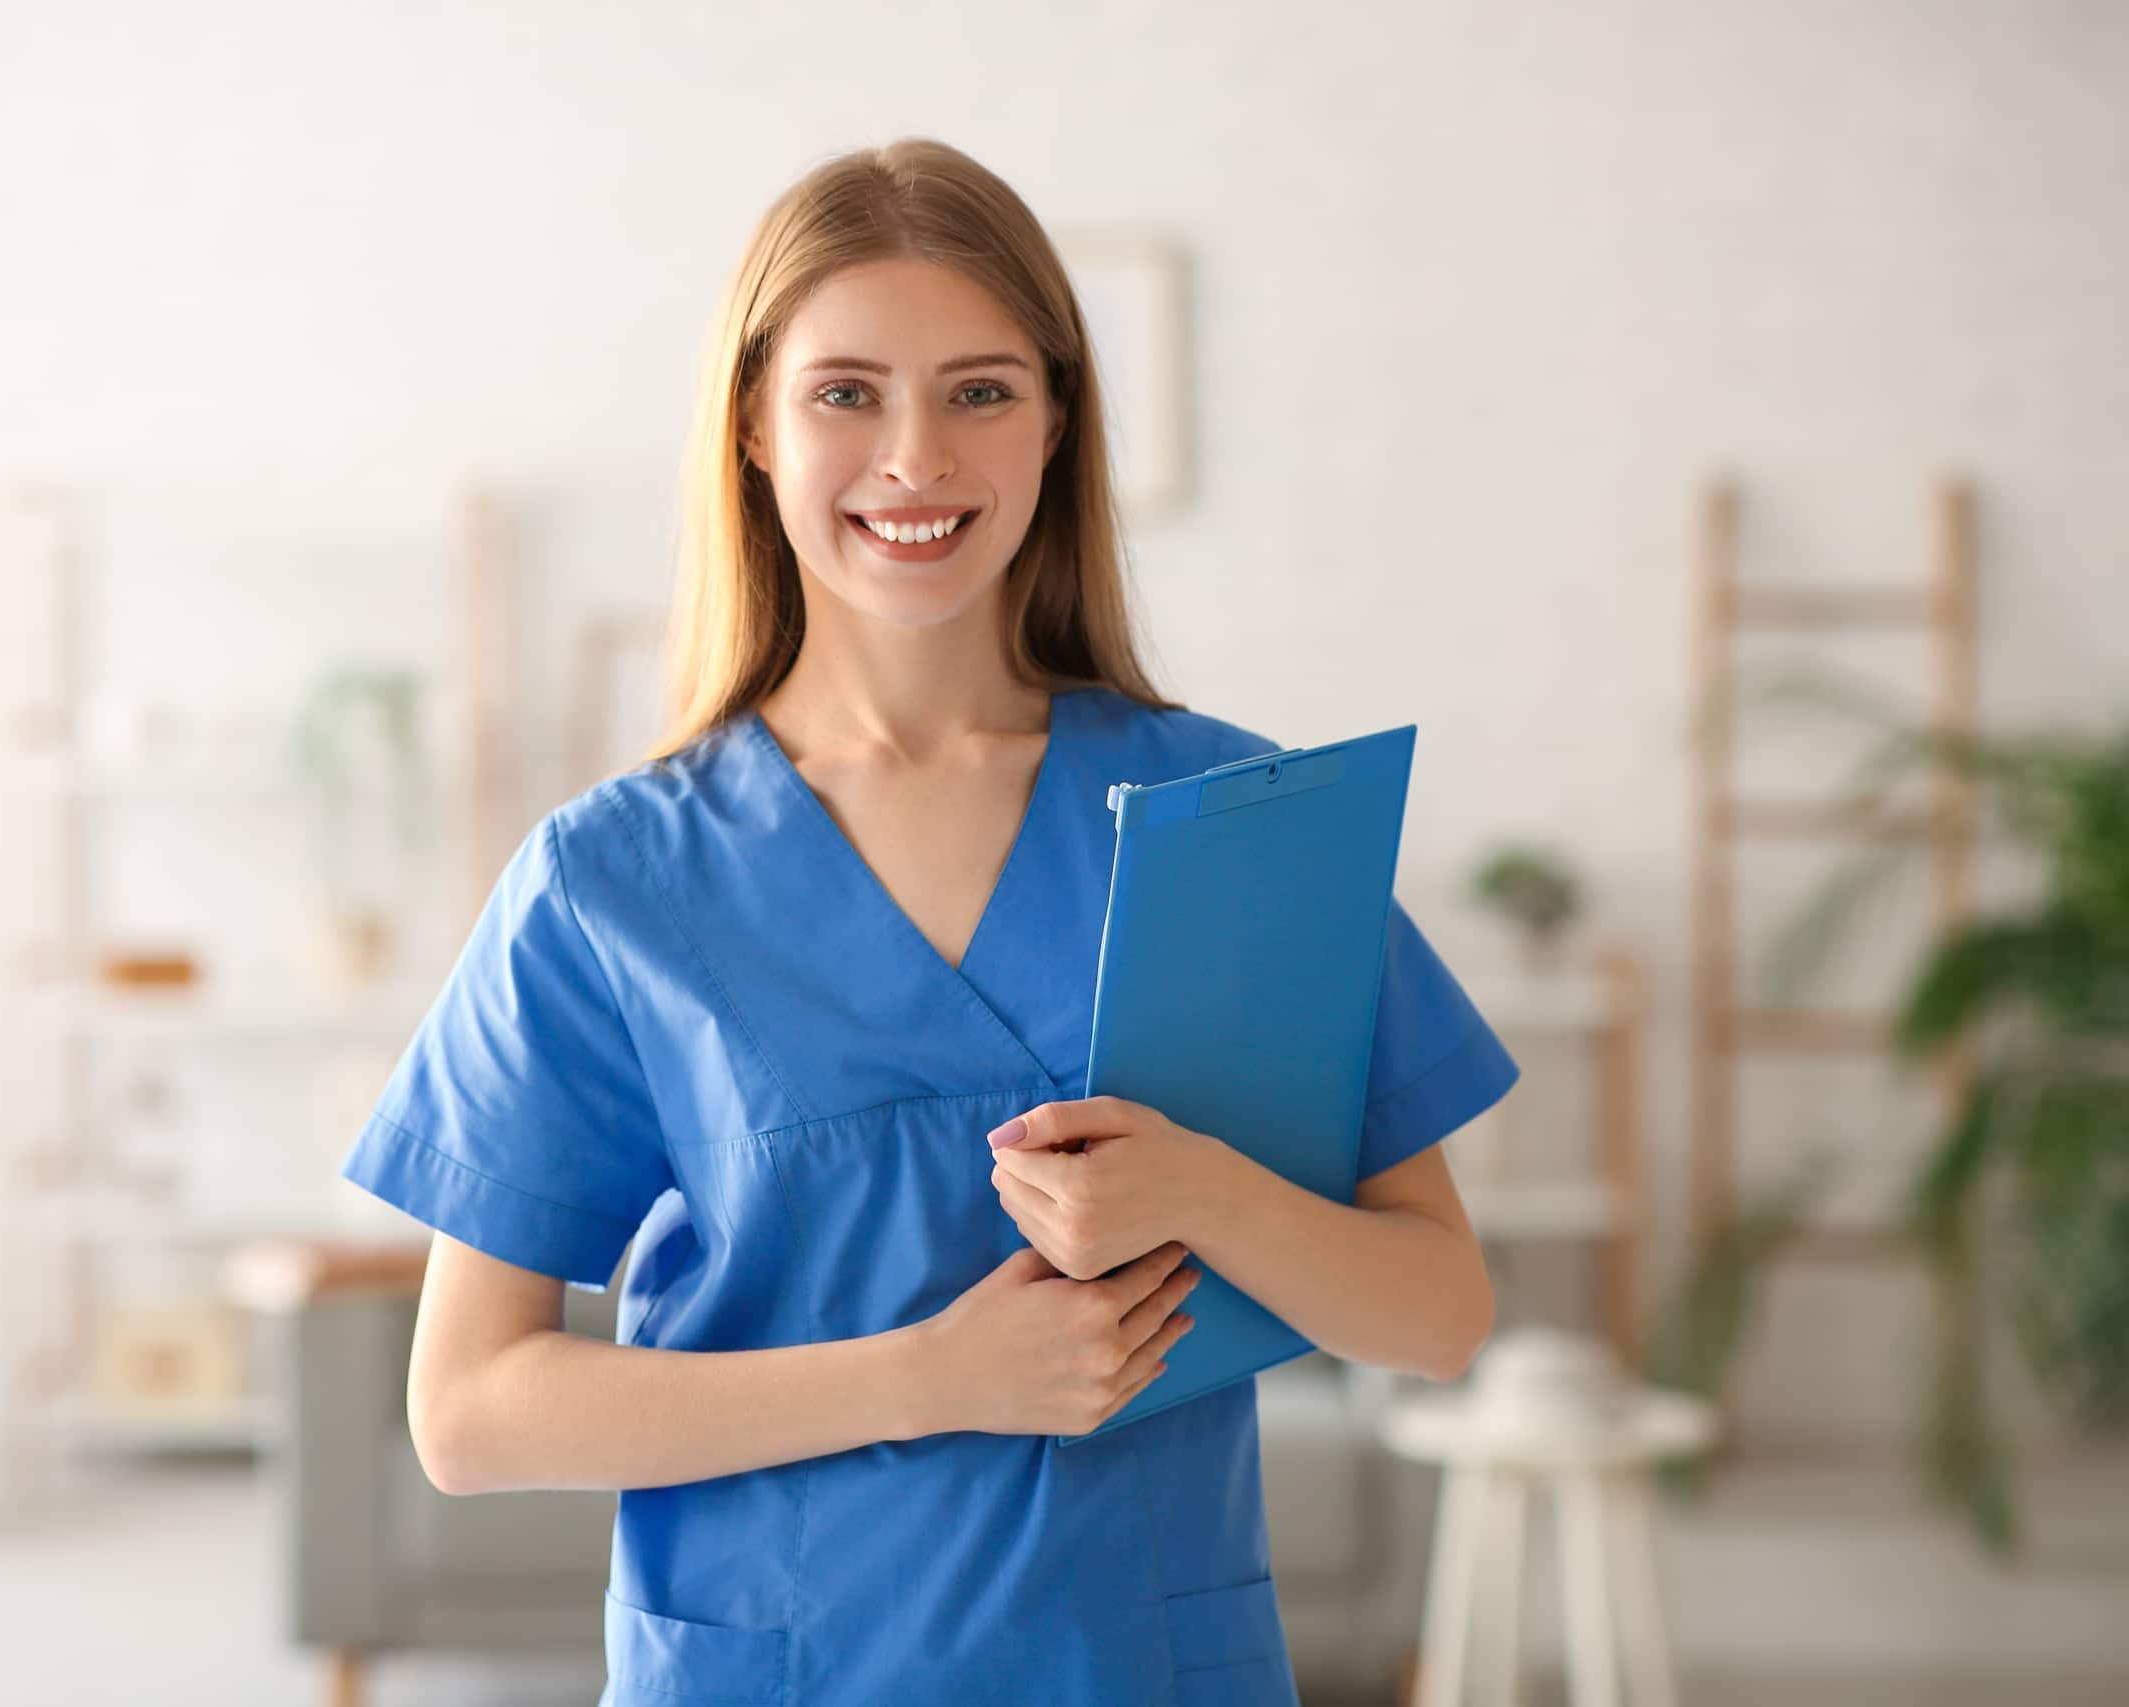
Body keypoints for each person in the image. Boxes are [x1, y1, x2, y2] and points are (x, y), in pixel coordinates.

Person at [339, 135, 1520, 1707]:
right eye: (847, 394)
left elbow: (1439, 1316)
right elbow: (471, 1411)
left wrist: (1204, 1194)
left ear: (1054, 427)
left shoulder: (1239, 827)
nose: (916, 459)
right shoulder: (612, 881)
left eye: (979, 392)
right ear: (754, 429)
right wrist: (931, 1379)